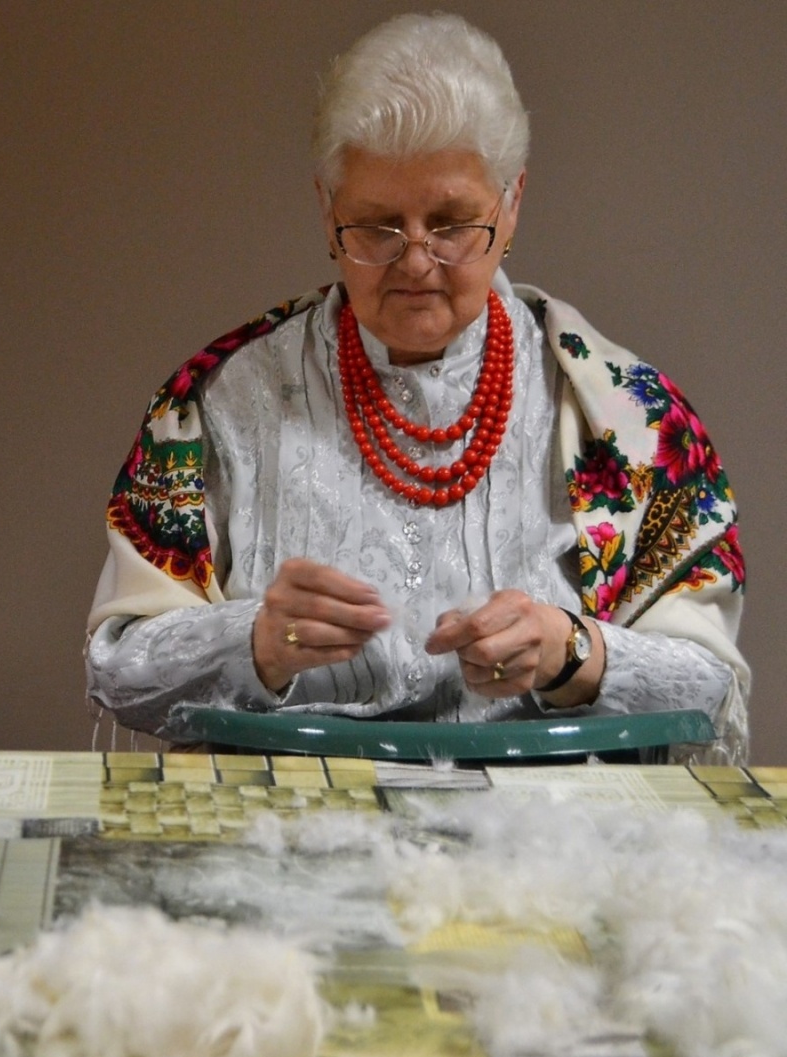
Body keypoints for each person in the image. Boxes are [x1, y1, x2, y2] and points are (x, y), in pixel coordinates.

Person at [85, 14, 747, 762]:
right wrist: (253, 640)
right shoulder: (214, 407)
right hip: (280, 839)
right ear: (328, 211)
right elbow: (118, 663)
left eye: (452, 222)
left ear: (513, 201)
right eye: (377, 227)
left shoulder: (627, 416)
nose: (416, 261)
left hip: (549, 845)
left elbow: (711, 684)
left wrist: (572, 650)